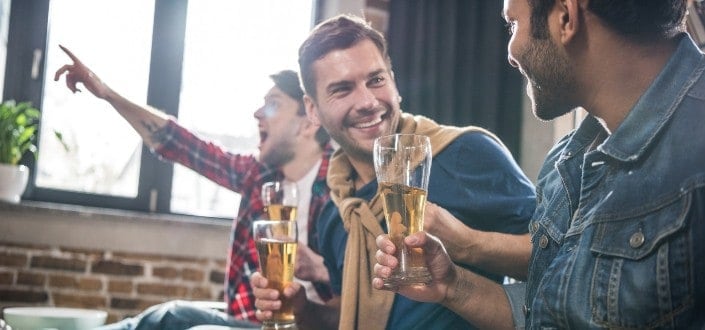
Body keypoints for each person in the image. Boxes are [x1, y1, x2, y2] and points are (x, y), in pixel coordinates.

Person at [374, 0, 705, 328]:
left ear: (565, 17)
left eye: (512, 25)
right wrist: (451, 286)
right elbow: (548, 313)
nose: (510, 52)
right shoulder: (567, 160)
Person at [252, 14, 537, 330]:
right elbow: (350, 314)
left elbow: (561, 261)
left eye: (376, 79)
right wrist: (305, 312)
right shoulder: (336, 209)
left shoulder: (466, 152)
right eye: (342, 89)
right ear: (312, 109)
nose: (368, 102)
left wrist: (468, 243)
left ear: (394, 81)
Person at [54, 46, 334, 329]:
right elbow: (179, 143)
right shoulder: (259, 175)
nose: (257, 112)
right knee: (164, 317)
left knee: (173, 317)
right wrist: (107, 93)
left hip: (307, 324)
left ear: (308, 122)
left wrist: (320, 268)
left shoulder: (343, 186)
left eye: (273, 104)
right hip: (255, 321)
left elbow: (366, 294)